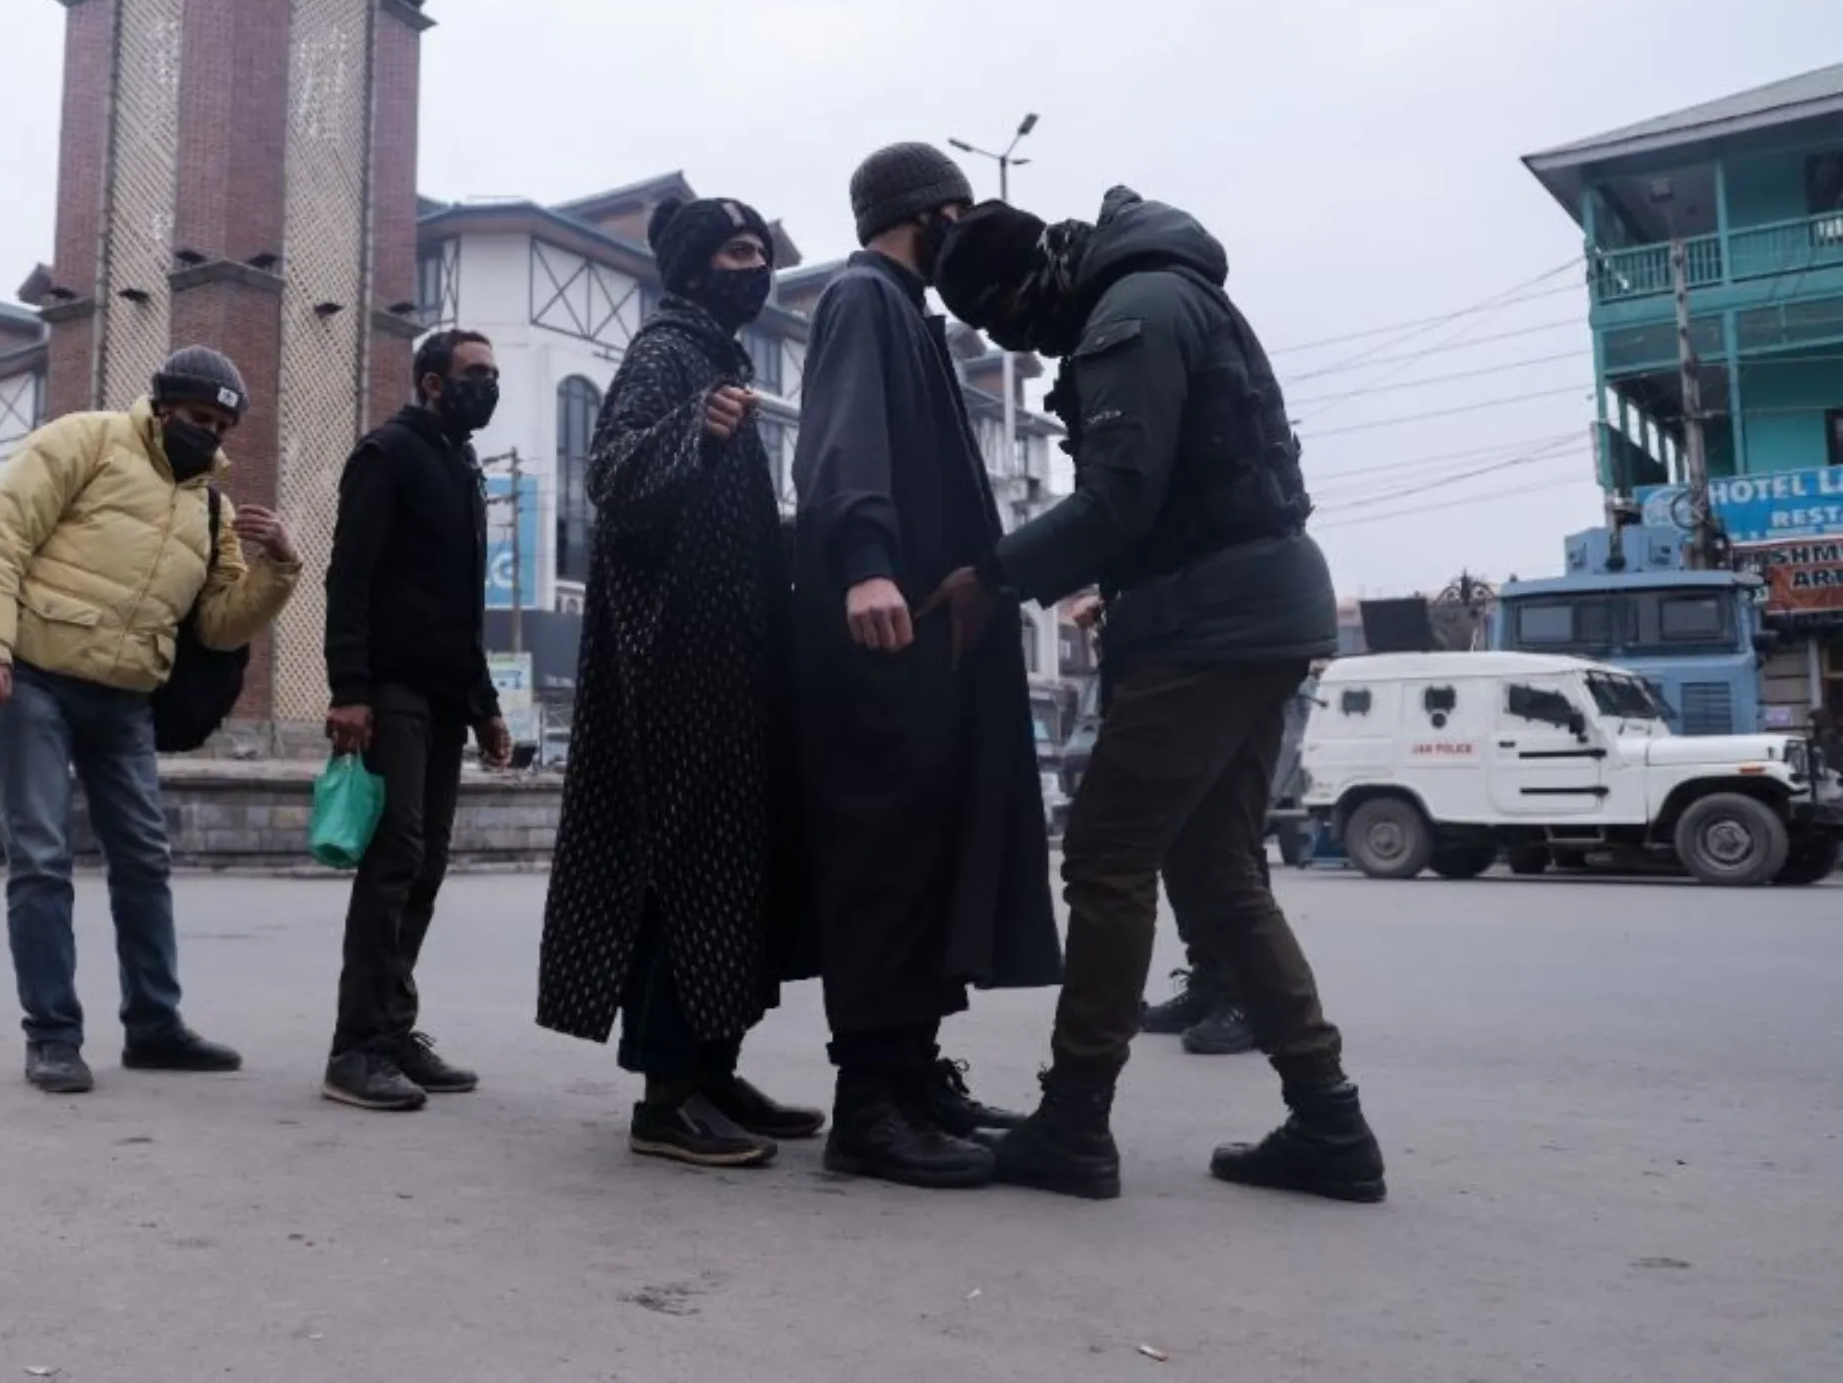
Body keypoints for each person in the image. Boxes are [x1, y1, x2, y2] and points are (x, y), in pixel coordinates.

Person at [930, 187, 1384, 1202]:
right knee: (1218, 869)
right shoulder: (1163, 288)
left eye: (1009, 316)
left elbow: (1122, 491)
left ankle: (1074, 1119)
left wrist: (994, 572)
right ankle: (1329, 1120)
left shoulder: (1130, 309)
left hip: (1209, 622)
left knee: (1106, 856)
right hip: (1253, 609)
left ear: (1030, 277)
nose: (1023, 342)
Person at [790, 143, 1062, 1189]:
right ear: (935, 213)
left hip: (923, 631)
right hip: (881, 629)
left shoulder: (907, 310)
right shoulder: (864, 297)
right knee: (887, 858)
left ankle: (911, 1071)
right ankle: (868, 1102)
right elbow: (840, 445)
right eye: (962, 213)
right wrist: (865, 563)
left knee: (928, 846)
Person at [537, 195, 822, 1169]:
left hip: (732, 668)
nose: (757, 267)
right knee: (685, 871)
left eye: (761, 251)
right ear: (696, 267)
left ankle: (712, 1065)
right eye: (738, 252)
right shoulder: (668, 355)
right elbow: (609, 478)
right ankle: (667, 1095)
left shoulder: (716, 356)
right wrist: (693, 431)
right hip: (677, 675)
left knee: (738, 873)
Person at [0, 345, 301, 1094]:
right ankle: (52, 1035)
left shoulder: (209, 507)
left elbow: (218, 625)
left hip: (125, 697)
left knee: (145, 860)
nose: (207, 433)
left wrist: (279, 567)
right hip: (34, 677)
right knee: (43, 860)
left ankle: (154, 1026)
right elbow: (1, 536)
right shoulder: (84, 440)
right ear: (164, 404)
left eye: (220, 426)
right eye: (197, 417)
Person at [321, 330, 515, 1112]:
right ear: (432, 383)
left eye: (494, 374)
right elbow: (349, 578)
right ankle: (356, 1048)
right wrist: (350, 689)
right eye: (475, 373)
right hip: (391, 690)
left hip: (442, 696)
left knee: (426, 863)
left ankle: (393, 1031)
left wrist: (487, 705)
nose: (489, 386)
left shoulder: (462, 468)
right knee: (394, 856)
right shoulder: (388, 454)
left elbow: (462, 608)